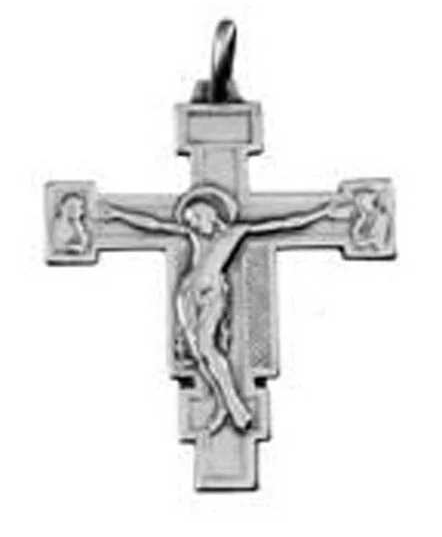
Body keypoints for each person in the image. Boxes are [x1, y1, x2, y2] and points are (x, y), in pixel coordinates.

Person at [102, 185, 351, 434]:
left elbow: (284, 224)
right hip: (187, 295)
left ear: (210, 213)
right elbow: (153, 225)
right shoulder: (194, 236)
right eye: (189, 221)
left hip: (212, 295)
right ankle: (222, 404)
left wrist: (322, 213)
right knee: (199, 355)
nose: (193, 225)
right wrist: (117, 214)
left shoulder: (234, 233)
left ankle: (235, 406)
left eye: (196, 218)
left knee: (207, 348)